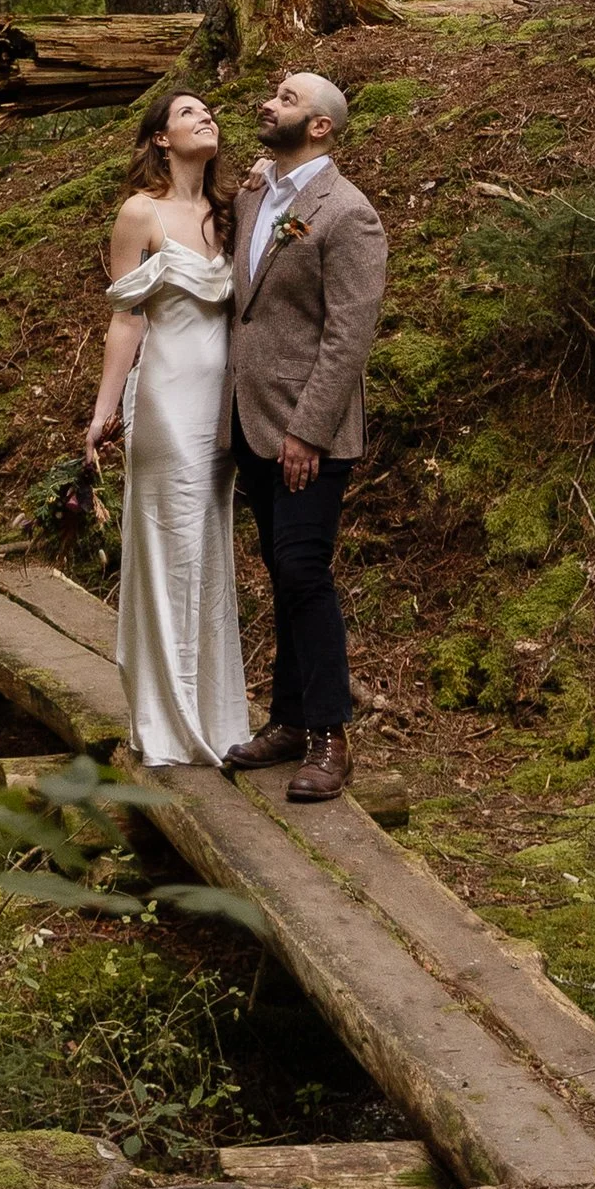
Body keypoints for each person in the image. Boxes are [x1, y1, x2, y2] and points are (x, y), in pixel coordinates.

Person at [217, 69, 388, 803]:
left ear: (320, 126)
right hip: (250, 421)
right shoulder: (258, 193)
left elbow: (350, 335)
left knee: (304, 573)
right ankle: (287, 722)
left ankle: (328, 737)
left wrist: (308, 432)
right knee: (282, 574)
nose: (269, 102)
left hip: (309, 433)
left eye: (287, 99)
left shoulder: (349, 214)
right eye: (274, 93)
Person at [83, 86, 250, 769]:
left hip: (225, 403)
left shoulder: (231, 212)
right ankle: (164, 717)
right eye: (189, 112)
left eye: (210, 110)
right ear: (160, 138)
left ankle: (215, 714)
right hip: (167, 397)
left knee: (209, 548)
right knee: (169, 545)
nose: (206, 116)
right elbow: (127, 318)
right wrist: (103, 409)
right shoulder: (139, 212)